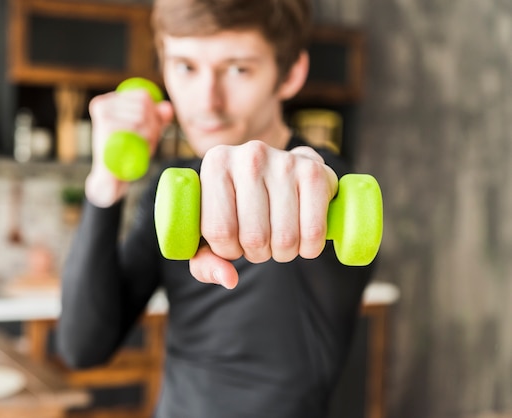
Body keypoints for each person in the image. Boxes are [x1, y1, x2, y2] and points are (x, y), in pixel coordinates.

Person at [57, 0, 375, 416]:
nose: (207, 101)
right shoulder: (174, 188)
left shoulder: (324, 187)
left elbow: (314, 178)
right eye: (186, 67)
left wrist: (309, 180)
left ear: (290, 73)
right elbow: (83, 348)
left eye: (238, 69)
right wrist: (105, 183)